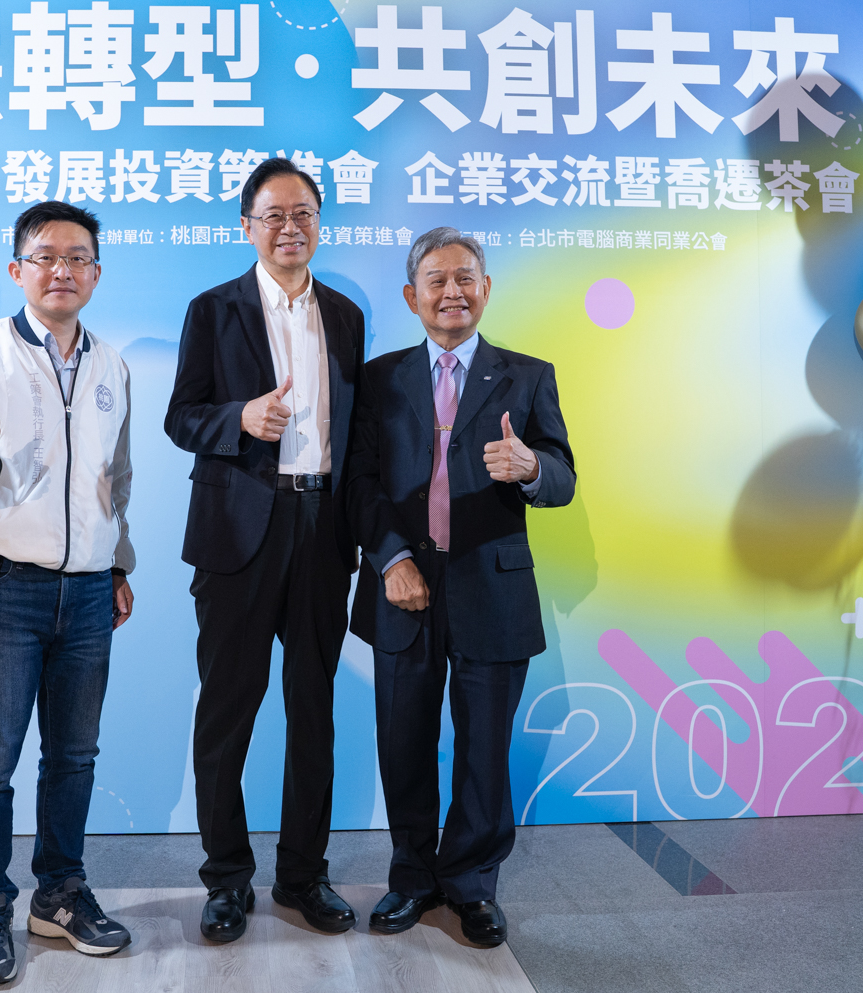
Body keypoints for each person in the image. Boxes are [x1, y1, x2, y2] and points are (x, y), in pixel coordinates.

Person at [0, 200, 137, 986]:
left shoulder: (112, 366)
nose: (61, 270)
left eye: (77, 258)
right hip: (2, 589)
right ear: (18, 269)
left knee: (74, 755)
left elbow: (117, 479)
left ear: (96, 275)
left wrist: (118, 565)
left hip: (88, 595)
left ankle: (60, 894)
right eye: (45, 256)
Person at [346, 226, 575, 947]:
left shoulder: (527, 375)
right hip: (403, 587)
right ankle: (412, 877)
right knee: (403, 741)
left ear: (486, 289)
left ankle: (473, 883)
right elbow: (360, 484)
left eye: (465, 278)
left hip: (492, 588)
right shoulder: (379, 379)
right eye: (437, 280)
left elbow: (564, 477)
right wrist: (390, 560)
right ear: (411, 296)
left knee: (484, 750)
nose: (453, 292)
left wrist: (530, 468)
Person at [164, 158, 366, 942]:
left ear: (319, 223)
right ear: (246, 225)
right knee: (228, 708)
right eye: (274, 214)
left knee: (313, 708)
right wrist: (239, 419)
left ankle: (303, 874)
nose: (290, 227)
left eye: (303, 213)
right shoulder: (212, 310)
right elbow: (182, 416)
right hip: (237, 531)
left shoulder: (345, 315)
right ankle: (226, 877)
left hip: (321, 529)